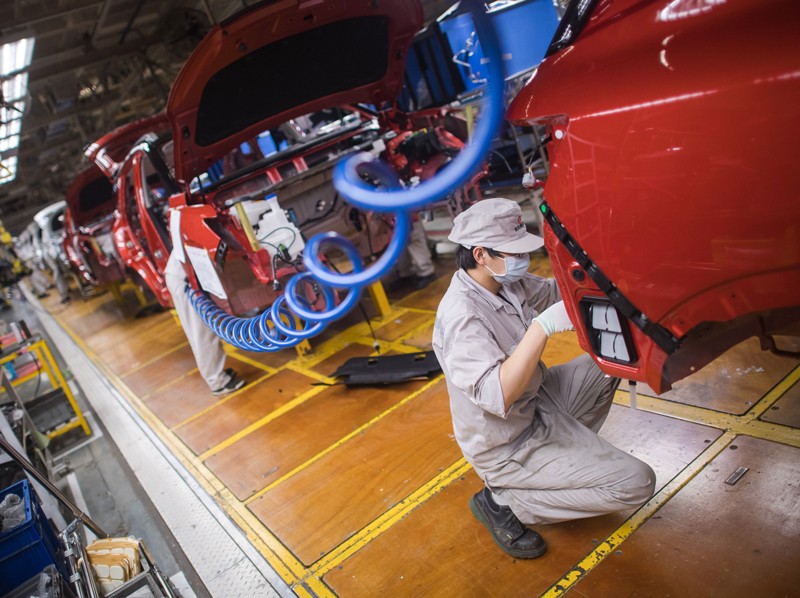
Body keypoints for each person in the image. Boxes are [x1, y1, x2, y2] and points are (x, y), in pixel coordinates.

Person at [432, 198, 655, 559]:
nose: (522, 260)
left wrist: (604, 269)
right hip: (508, 443)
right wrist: (541, 327)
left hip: (539, 401)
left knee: (608, 362)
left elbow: (556, 292)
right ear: (480, 254)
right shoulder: (463, 317)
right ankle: (506, 499)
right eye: (513, 253)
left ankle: (563, 457)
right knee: (636, 483)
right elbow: (498, 394)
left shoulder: (502, 281)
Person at [164, 249, 245, 396]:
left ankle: (218, 377)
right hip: (185, 280)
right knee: (202, 333)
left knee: (203, 331)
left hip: (186, 274)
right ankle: (218, 383)